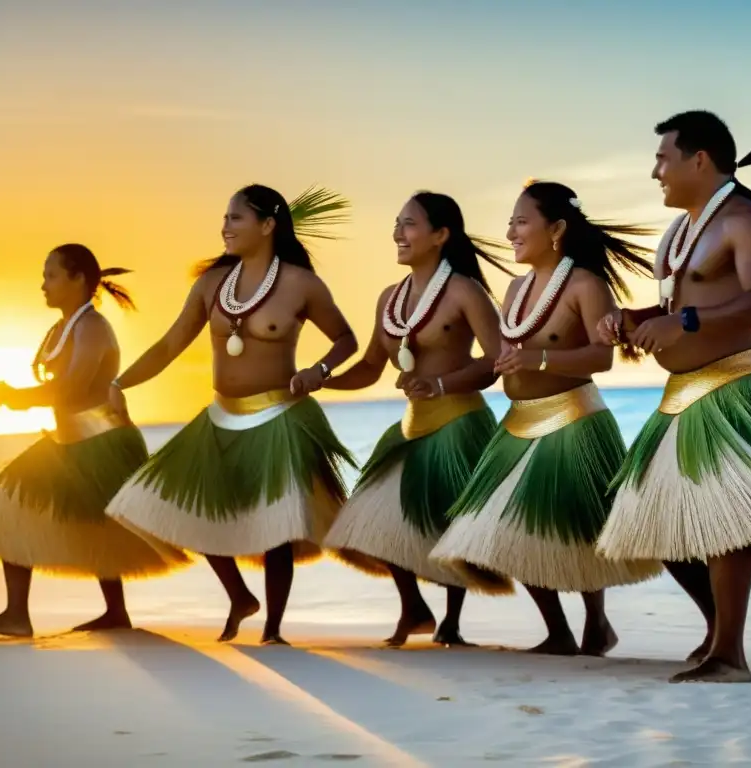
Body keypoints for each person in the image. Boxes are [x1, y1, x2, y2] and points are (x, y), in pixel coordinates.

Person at [595, 110, 751, 683]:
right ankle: (716, 635)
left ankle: (729, 655)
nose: (655, 173)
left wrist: (688, 321)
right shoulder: (679, 231)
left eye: (662, 159)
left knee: (721, 523)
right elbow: (679, 307)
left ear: (699, 160)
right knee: (660, 521)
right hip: (683, 394)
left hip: (735, 385)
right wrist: (634, 318)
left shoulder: (746, 220)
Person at [105, 184, 358, 645]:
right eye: (224, 217)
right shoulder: (210, 285)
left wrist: (318, 370)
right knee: (187, 508)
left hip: (279, 416)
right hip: (220, 418)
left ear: (267, 226)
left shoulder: (301, 284)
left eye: (236, 218)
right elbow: (167, 345)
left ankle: (274, 629)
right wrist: (119, 383)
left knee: (278, 528)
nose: (225, 226)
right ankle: (240, 596)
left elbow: (346, 339)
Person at [430, 181, 662, 657]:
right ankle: (558, 630)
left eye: (521, 221)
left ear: (555, 228)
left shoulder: (585, 285)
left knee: (576, 530)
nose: (510, 231)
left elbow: (603, 358)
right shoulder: (515, 289)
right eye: (510, 221)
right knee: (509, 529)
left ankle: (596, 623)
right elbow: (506, 350)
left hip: (573, 420)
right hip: (517, 424)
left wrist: (536, 360)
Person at [0, 244, 192, 637]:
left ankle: (119, 611)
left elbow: (72, 387)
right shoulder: (61, 329)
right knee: (11, 510)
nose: (43, 284)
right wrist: (14, 396)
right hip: (66, 445)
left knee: (106, 527)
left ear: (78, 279)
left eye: (51, 275)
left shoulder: (93, 328)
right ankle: (18, 615)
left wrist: (16, 397)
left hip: (103, 444)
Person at [322, 192, 515, 647]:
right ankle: (413, 608)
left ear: (440, 235)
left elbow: (498, 360)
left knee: (446, 523)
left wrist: (443, 384)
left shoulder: (465, 291)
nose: (397, 233)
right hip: (411, 424)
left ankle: (451, 620)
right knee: (373, 517)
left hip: (459, 420)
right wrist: (322, 378)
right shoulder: (390, 298)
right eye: (396, 223)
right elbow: (371, 366)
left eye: (409, 224)